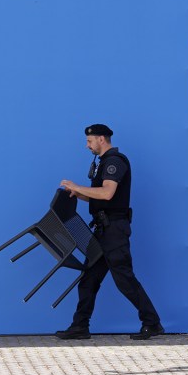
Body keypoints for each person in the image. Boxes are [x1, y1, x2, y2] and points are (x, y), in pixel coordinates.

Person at [57, 124, 164, 340]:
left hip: (113, 229)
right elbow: (98, 197)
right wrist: (76, 194)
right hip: (103, 229)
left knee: (124, 278)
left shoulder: (114, 162)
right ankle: (80, 326)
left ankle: (152, 323)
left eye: (90, 141)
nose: (87, 146)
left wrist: (77, 187)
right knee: (89, 279)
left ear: (102, 139)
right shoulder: (103, 163)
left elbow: (107, 194)